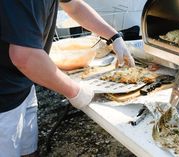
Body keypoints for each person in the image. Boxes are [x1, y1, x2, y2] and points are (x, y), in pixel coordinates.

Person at [0, 0, 135, 156]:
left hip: (22, 83)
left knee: (29, 151)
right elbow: (25, 57)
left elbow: (74, 6)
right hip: (4, 98)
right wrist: (74, 91)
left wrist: (114, 36)